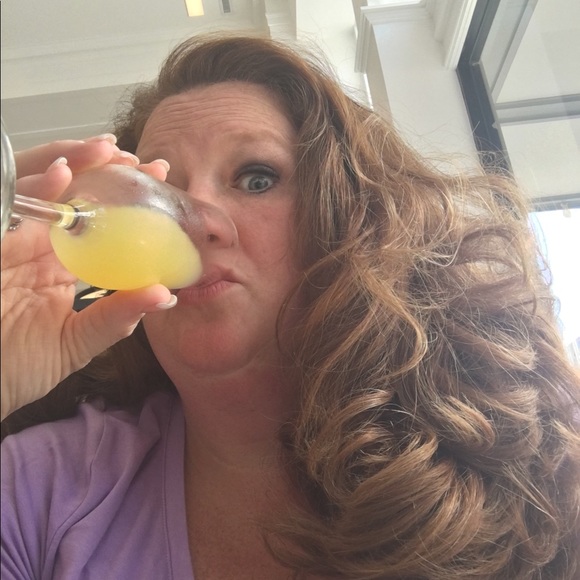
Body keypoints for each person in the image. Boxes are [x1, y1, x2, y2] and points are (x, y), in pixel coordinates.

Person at [1, 33, 579, 580]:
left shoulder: (539, 470)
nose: (194, 222)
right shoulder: (41, 487)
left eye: (256, 179)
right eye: (163, 193)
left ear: (356, 221)